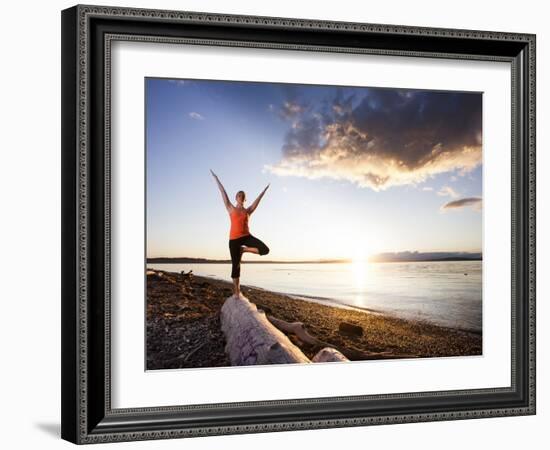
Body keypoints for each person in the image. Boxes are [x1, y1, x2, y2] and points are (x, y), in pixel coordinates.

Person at [210, 170, 270, 298]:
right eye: (239, 195)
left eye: (243, 195)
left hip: (247, 237)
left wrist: (263, 192)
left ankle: (244, 250)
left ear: (244, 198)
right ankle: (237, 292)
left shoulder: (248, 211)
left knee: (265, 250)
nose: (241, 196)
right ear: (236, 198)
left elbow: (256, 202)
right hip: (234, 240)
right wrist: (216, 178)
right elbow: (223, 192)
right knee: (236, 266)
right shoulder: (231, 208)